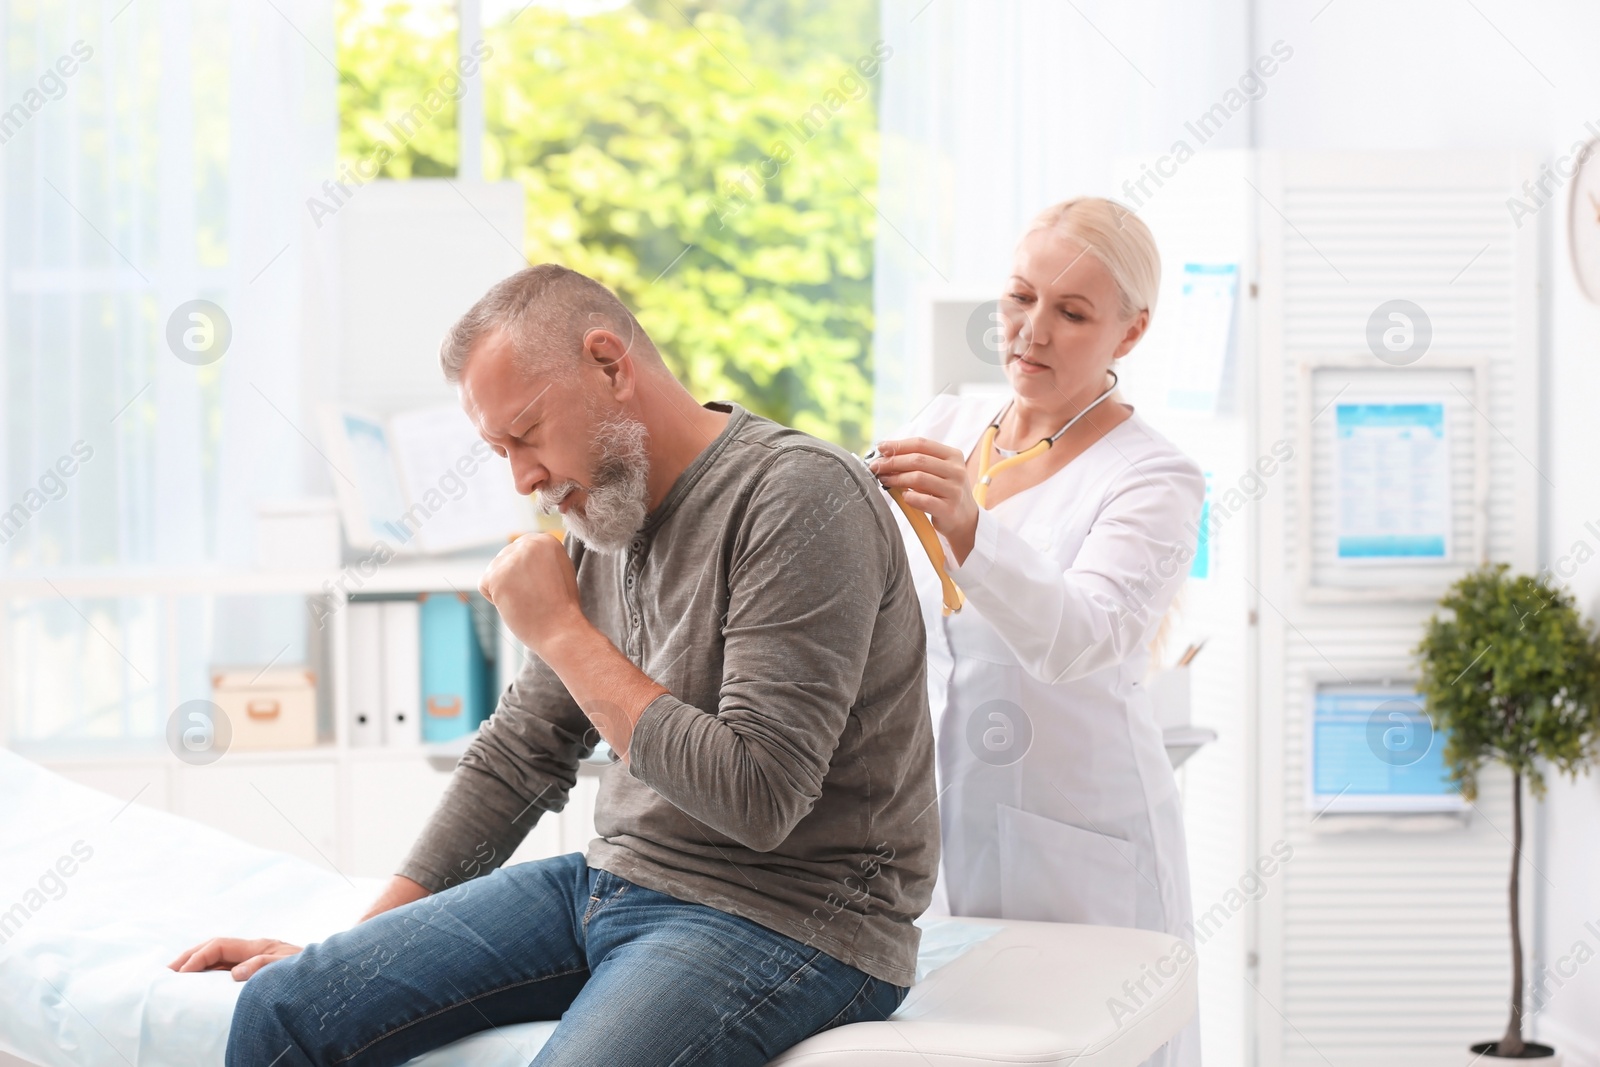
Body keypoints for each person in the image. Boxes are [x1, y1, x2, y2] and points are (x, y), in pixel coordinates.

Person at [168, 264, 939, 1067]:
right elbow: (522, 751)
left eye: (527, 434)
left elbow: (759, 795)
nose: (525, 480)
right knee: (284, 1007)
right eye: (500, 450)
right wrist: (360, 952)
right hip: (611, 882)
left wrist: (565, 633)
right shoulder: (607, 513)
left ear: (610, 364)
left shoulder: (798, 493)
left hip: (793, 917)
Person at [867, 196, 1204, 1067]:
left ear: (1128, 335)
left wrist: (972, 528)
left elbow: (1082, 637)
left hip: (1080, 842)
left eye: (1073, 312)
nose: (1032, 332)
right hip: (942, 824)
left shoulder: (1153, 477)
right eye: (1020, 298)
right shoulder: (941, 424)